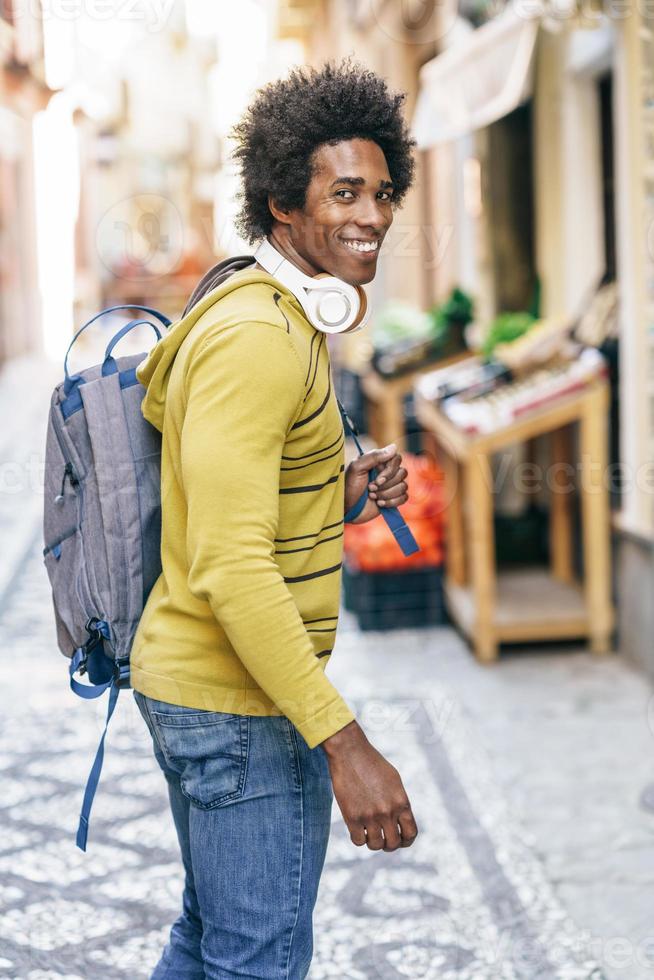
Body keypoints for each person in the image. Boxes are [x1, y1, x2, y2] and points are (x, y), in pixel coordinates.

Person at [131, 57, 419, 980]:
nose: (371, 215)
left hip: (218, 693)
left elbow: (244, 513)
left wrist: (339, 492)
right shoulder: (258, 336)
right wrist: (347, 744)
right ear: (282, 204)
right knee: (258, 960)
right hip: (239, 705)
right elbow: (229, 564)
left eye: (380, 192)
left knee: (209, 940)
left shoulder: (279, 318)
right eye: (343, 192)